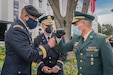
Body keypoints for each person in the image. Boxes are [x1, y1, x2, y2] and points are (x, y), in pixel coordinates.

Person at [1, 5, 56, 75]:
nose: (36, 21)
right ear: (25, 17)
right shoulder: (17, 30)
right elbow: (29, 55)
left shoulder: (23, 29)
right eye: (34, 19)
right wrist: (48, 45)